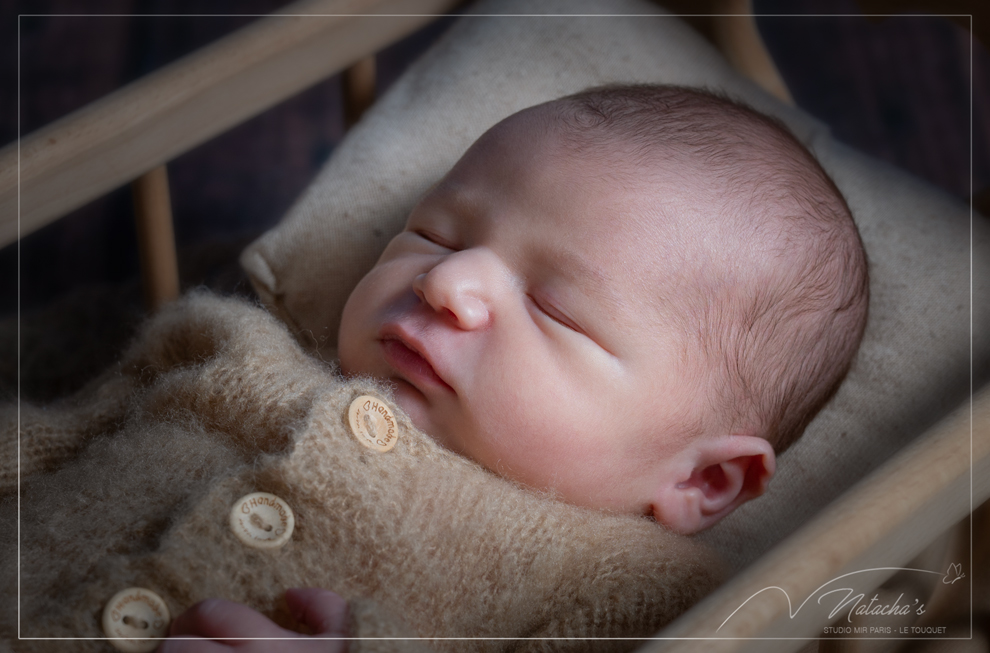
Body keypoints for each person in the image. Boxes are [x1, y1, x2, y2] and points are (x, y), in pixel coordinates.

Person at [6, 85, 868, 652]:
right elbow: (58, 437)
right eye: (435, 234)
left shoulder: (636, 593)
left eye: (557, 308)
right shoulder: (237, 352)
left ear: (706, 479)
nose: (446, 281)